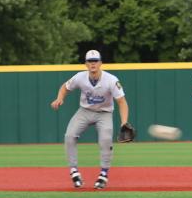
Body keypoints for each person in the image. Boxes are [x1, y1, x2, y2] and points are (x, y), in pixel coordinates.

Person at [50, 50, 133, 190]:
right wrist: (60, 98)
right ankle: (74, 172)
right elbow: (65, 87)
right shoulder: (80, 77)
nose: (93, 63)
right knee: (69, 136)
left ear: (100, 63)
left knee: (105, 141)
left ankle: (103, 175)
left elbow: (122, 102)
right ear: (85, 64)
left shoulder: (111, 80)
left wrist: (124, 122)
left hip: (104, 113)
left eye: (95, 61)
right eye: (90, 61)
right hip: (85, 111)